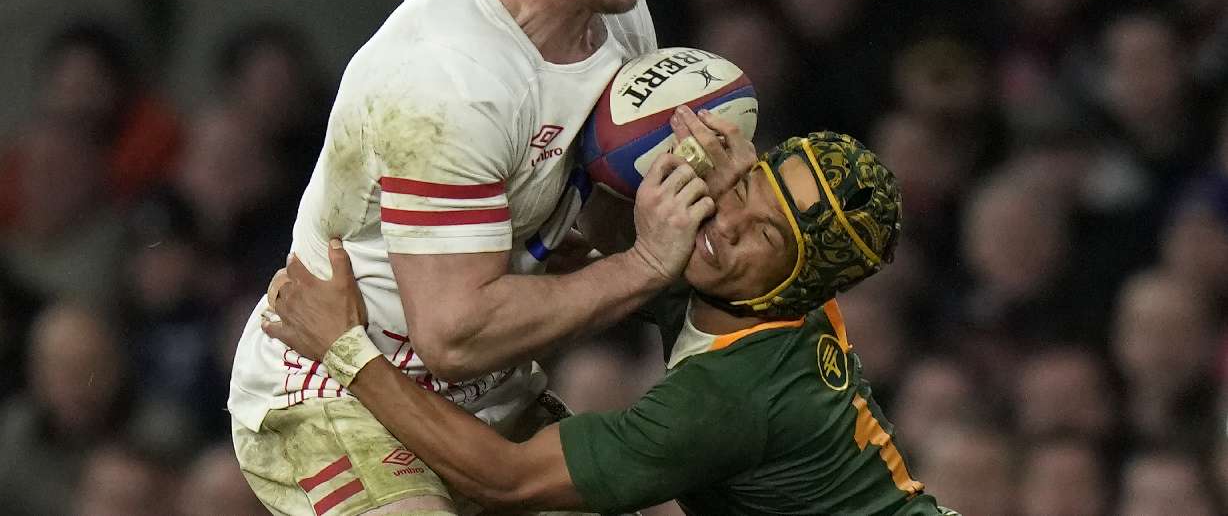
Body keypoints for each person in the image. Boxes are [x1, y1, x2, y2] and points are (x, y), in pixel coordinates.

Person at [228, 0, 737, 514]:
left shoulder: (615, 9)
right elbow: (455, 334)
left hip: (491, 392)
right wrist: (644, 267)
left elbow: (604, 218)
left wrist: (699, 193)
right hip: (338, 390)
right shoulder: (452, 79)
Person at [265, 132, 959, 515]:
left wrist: (345, 350)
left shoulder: (731, 395)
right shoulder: (760, 290)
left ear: (796, 284)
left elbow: (506, 478)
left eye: (765, 236)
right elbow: (616, 236)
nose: (727, 225)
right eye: (745, 190)